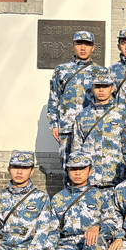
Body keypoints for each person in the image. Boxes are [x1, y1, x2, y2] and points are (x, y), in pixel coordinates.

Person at [35, 152, 117, 250]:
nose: (77, 173)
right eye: (73, 169)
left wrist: (98, 227)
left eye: (82, 169)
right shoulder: (58, 198)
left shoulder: (101, 196)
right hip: (68, 247)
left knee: (95, 241)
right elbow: (53, 229)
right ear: (67, 171)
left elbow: (113, 224)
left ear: (90, 171)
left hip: (91, 246)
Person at [47, 30, 106, 165]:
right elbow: (54, 98)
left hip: (91, 127)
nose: (83, 48)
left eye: (87, 44)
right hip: (68, 127)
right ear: (73, 46)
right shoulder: (61, 70)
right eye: (79, 44)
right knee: (68, 167)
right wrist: (54, 125)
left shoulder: (101, 71)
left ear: (93, 48)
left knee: (92, 167)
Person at [70, 71, 126, 190]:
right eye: (97, 86)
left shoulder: (122, 115)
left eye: (105, 86)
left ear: (112, 88)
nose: (101, 90)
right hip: (89, 180)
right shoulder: (82, 116)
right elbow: (76, 148)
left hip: (114, 177)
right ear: (92, 89)